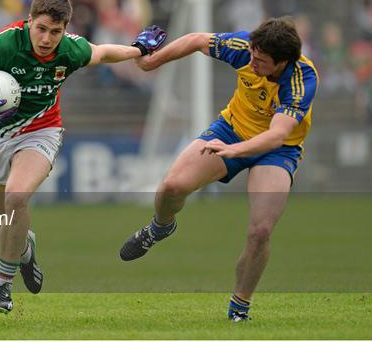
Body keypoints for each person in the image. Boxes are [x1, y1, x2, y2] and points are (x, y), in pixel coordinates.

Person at [0, 0, 166, 314]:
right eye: (42, 29)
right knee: (1, 226)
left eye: (56, 32)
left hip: (41, 131)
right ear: (29, 22)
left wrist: (138, 49)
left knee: (16, 197)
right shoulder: (3, 44)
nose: (47, 38)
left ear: (65, 30)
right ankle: (24, 248)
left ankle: (2, 285)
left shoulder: (70, 50)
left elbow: (102, 53)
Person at [120, 17, 319, 322]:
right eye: (252, 54)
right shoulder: (245, 47)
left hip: (277, 151)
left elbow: (277, 135)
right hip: (231, 130)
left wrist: (234, 152)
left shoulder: (301, 78)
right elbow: (198, 40)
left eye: (261, 61)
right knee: (172, 187)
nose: (252, 62)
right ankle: (160, 227)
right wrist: (153, 61)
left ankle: (239, 308)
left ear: (283, 62)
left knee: (261, 231)